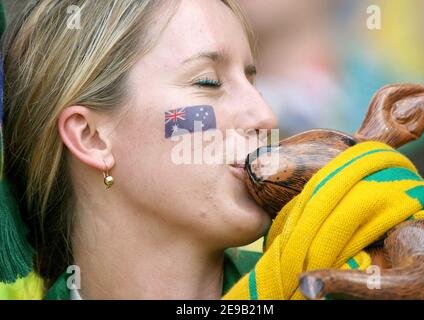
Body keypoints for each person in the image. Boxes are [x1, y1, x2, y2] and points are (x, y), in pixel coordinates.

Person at [1, 0, 277, 299]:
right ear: (91, 137)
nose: (265, 115)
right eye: (208, 82)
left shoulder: (315, 284)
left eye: (252, 82)